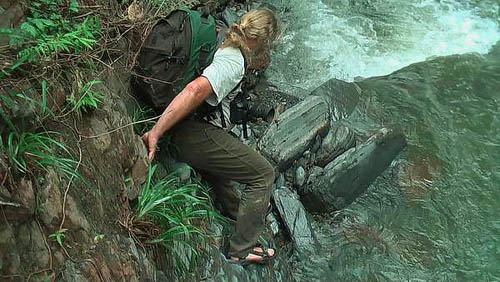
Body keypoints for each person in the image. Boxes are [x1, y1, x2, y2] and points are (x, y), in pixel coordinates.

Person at [141, 9, 279, 264]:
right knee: (263, 174)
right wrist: (156, 133)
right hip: (189, 131)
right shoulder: (234, 61)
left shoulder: (222, 34)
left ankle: (236, 216)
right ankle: (240, 250)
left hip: (188, 126)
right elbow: (195, 89)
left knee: (230, 163)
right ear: (263, 40)